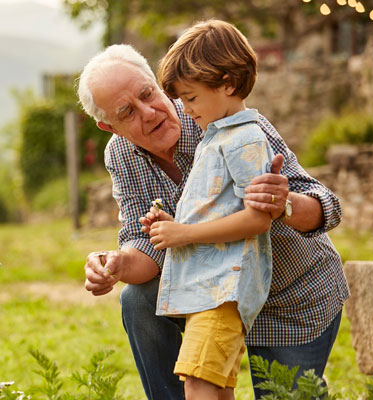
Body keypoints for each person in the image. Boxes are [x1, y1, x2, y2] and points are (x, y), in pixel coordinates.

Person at [78, 28, 349, 400]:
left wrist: (283, 203)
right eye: (128, 112)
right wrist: (117, 263)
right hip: (213, 298)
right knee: (138, 299)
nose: (149, 112)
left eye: (147, 94)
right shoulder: (121, 155)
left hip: (288, 298)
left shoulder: (226, 118)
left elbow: (324, 203)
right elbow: (147, 243)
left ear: (158, 85)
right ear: (110, 126)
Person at [137, 20, 274, 400]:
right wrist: (172, 225)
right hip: (208, 288)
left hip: (223, 289)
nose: (185, 109)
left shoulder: (245, 138)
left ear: (228, 83)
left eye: (191, 98)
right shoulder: (217, 136)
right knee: (212, 386)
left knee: (197, 384)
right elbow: (217, 209)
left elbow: (258, 218)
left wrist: (184, 234)